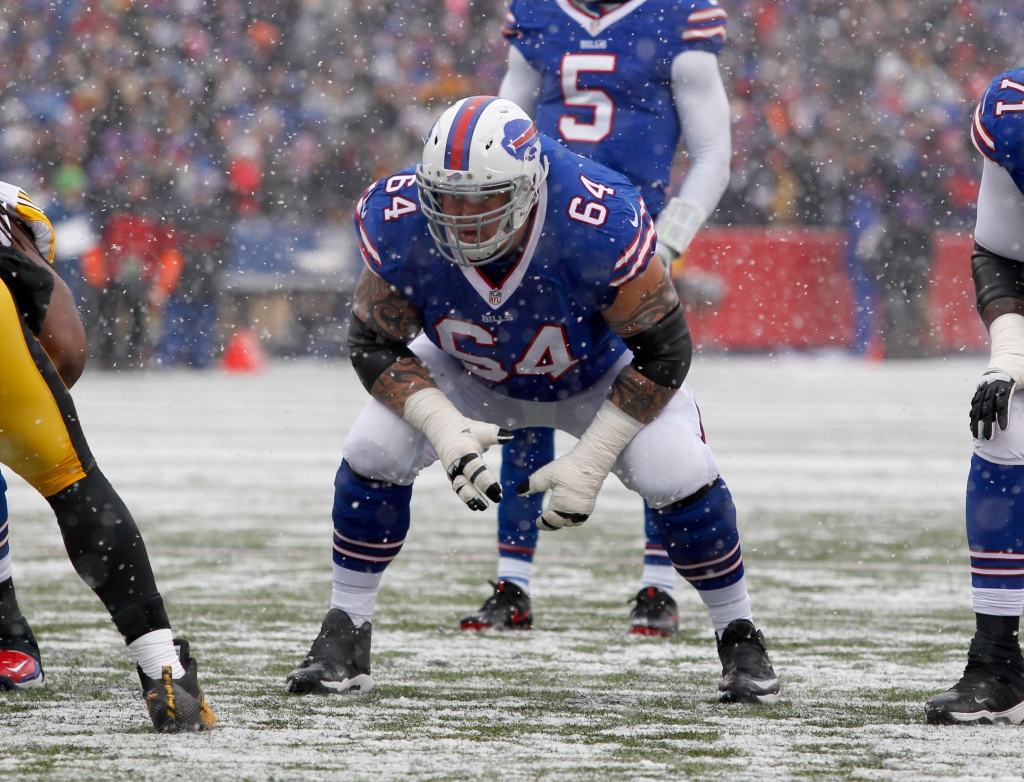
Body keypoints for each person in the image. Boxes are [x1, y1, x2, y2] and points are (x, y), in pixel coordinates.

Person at [286, 97, 779, 704]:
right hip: (472, 370)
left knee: (676, 469)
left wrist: (594, 457)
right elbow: (373, 341)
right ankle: (345, 629)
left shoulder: (595, 215)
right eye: (447, 197)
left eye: (482, 199)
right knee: (372, 449)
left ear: (528, 185)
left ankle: (739, 633)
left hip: (593, 374)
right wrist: (440, 424)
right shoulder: (403, 217)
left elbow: (665, 351)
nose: (462, 219)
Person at [459, 0, 731, 635]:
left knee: (651, 404)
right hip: (540, 244)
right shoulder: (538, 17)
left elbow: (713, 152)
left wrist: (663, 245)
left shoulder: (677, 16)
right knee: (524, 392)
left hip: (628, 242)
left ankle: (659, 586)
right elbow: (499, 124)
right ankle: (513, 581)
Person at [0, 183, 215, 731]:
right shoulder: (15, 228)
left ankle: (8, 632)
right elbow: (67, 348)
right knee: (72, 481)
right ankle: (161, 667)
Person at [925, 67, 1024, 725]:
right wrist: (1009, 356)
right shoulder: (1014, 112)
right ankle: (997, 661)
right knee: (1003, 427)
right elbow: (999, 251)